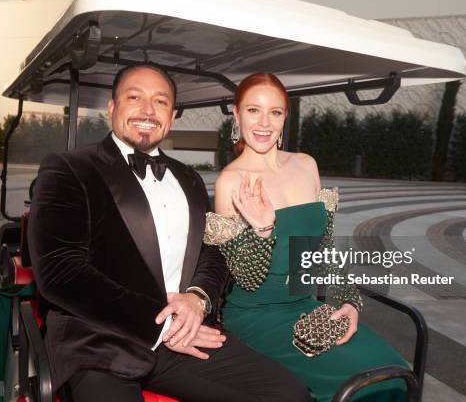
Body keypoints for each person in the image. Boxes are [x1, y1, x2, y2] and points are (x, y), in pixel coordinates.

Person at [28, 64, 311, 402]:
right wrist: (162, 325)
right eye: (135, 97)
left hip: (185, 334)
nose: (148, 110)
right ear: (112, 107)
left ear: (172, 115)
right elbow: (62, 272)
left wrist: (197, 299)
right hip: (100, 341)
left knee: (289, 395)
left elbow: (212, 251)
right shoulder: (68, 168)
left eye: (160, 102)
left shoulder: (189, 178)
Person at [207, 73, 409, 402]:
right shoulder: (231, 182)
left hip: (305, 303)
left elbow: (323, 246)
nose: (264, 122)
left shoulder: (305, 164)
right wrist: (262, 230)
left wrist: (348, 301)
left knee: (393, 371)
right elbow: (246, 277)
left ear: (286, 117)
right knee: (360, 385)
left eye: (275, 112)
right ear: (236, 113)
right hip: (257, 315)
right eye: (253, 110)